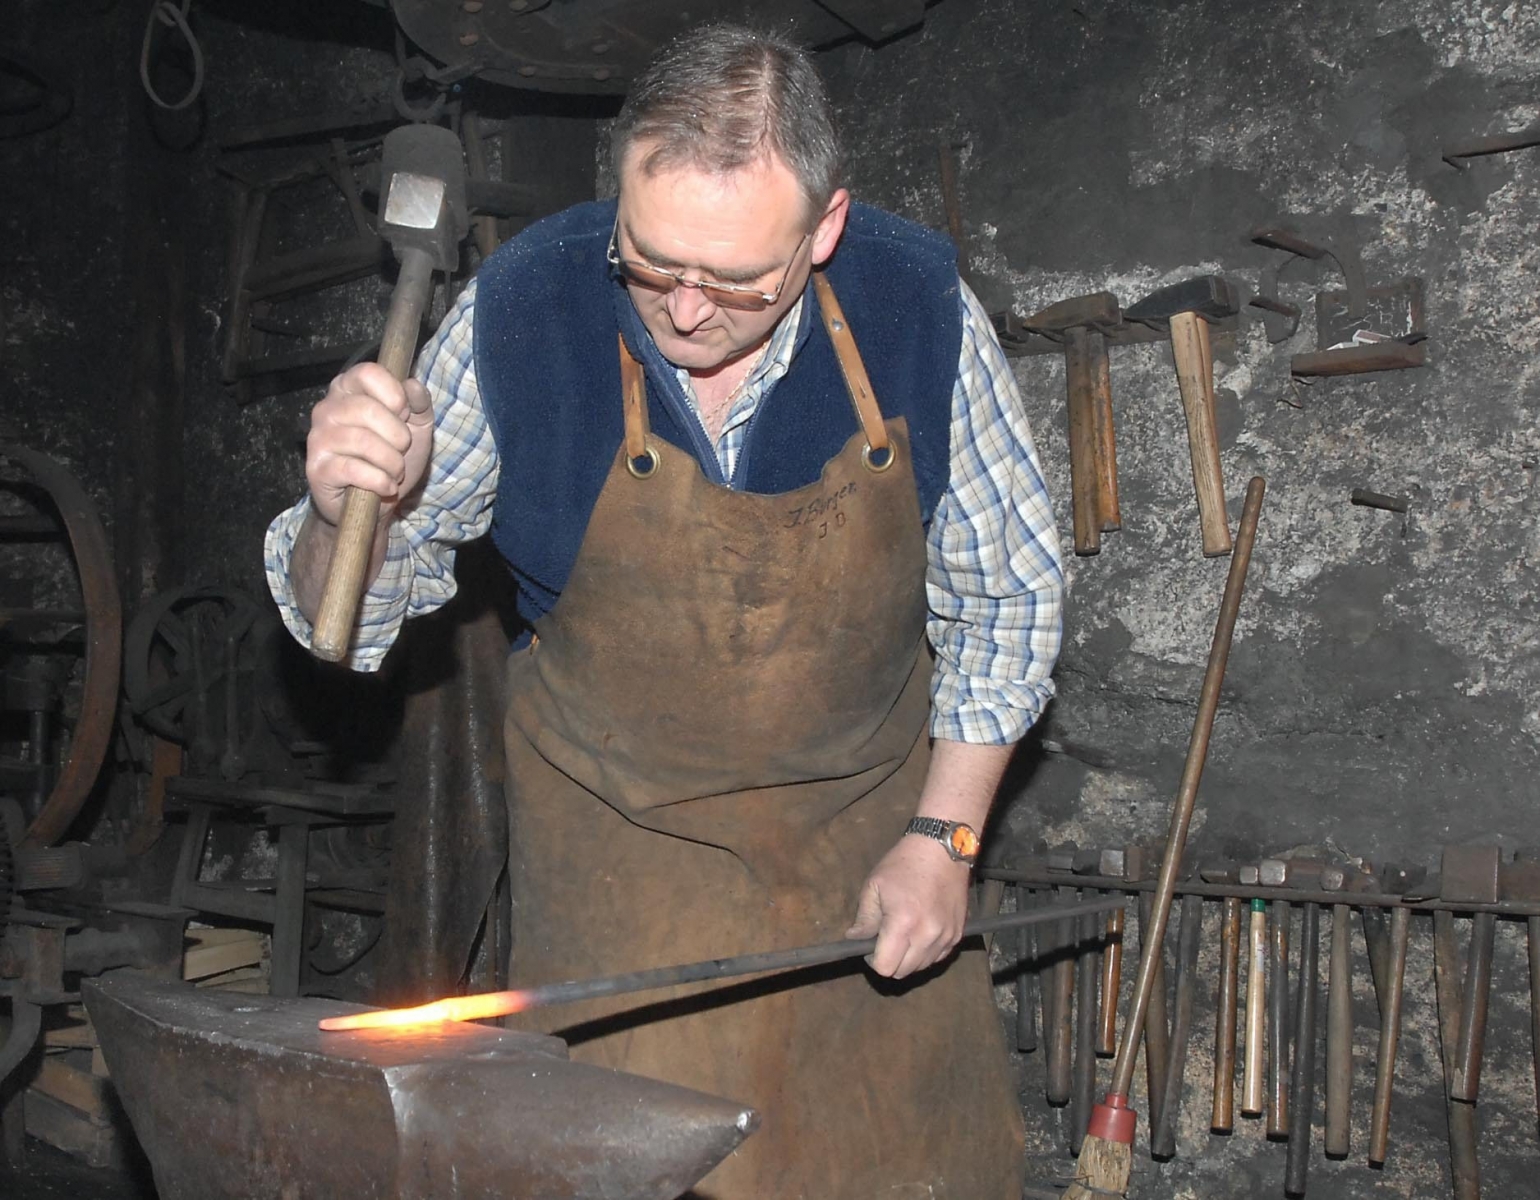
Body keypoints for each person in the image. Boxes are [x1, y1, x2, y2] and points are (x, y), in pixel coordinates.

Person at [266, 22, 1062, 1199]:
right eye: (649, 262)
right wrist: (344, 510)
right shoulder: (528, 305)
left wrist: (944, 839)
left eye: (737, 279)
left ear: (824, 228)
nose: (685, 312)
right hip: (614, 858)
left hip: (861, 846)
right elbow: (349, 623)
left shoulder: (917, 309)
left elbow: (1008, 597)